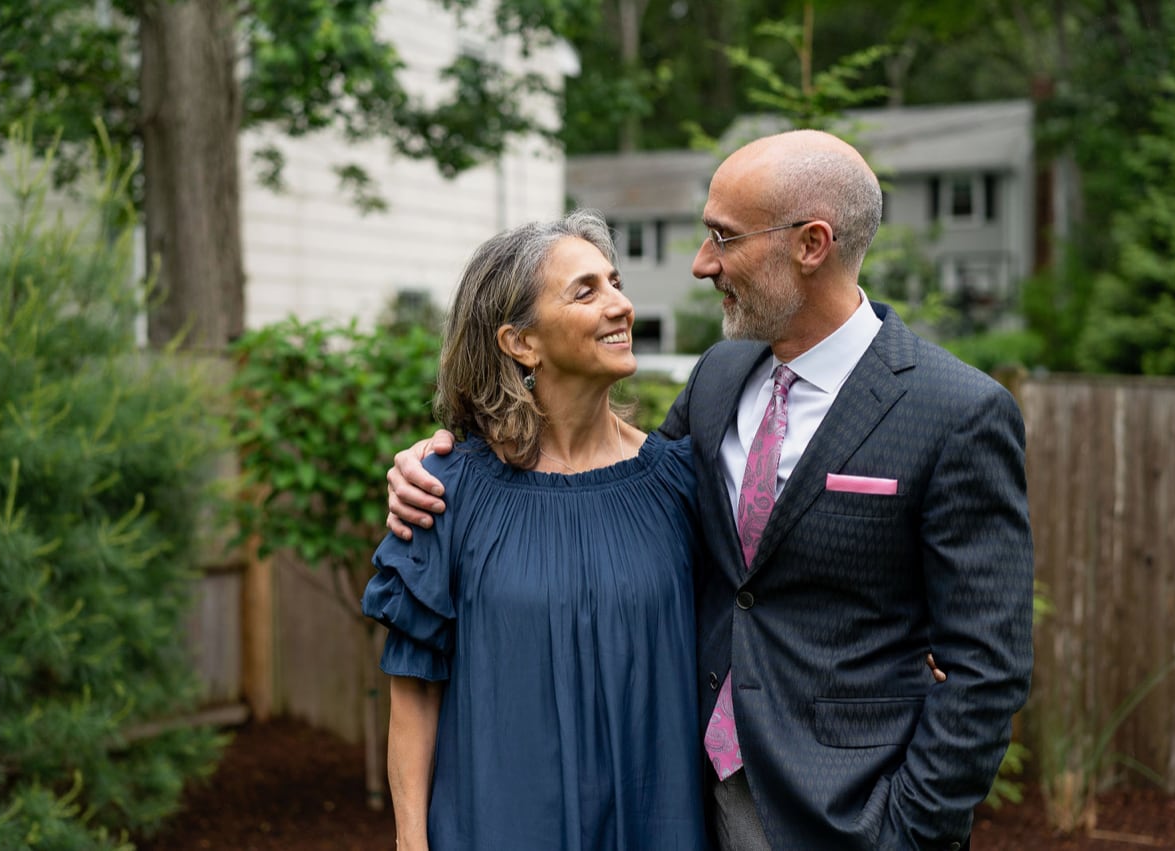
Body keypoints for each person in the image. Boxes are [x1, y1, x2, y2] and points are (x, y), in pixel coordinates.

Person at [386, 130, 1034, 851]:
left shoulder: (956, 412)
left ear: (810, 245)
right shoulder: (718, 383)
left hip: (848, 816)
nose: (701, 264)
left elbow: (987, 667)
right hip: (691, 799)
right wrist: (431, 458)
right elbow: (593, 490)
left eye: (723, 238)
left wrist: (910, 831)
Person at [361, 211, 709, 850]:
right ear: (520, 343)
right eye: (587, 292)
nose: (621, 305)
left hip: (656, 825)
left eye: (615, 282)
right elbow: (413, 696)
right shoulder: (444, 493)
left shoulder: (681, 483)